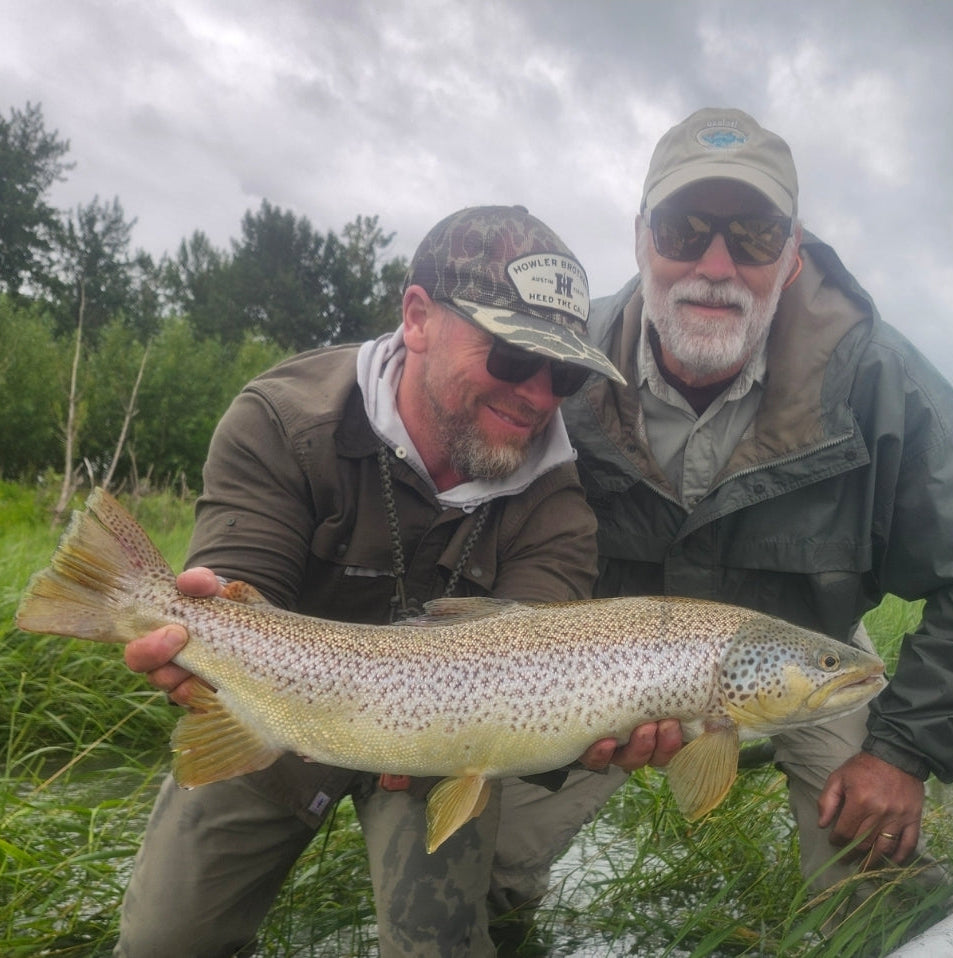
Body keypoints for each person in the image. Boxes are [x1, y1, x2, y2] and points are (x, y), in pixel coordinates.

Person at [113, 204, 655, 958]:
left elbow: (535, 669)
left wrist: (598, 731)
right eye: (509, 356)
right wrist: (199, 628)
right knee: (162, 944)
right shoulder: (282, 418)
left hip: (444, 744)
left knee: (441, 947)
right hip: (283, 701)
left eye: (563, 371)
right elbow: (242, 585)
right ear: (418, 317)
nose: (537, 393)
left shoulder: (560, 501)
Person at [562, 108, 953, 904]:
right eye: (684, 229)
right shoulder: (558, 366)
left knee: (880, 890)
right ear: (641, 236)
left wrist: (904, 751)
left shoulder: (881, 387)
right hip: (584, 678)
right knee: (482, 861)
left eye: (753, 236)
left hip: (807, 664)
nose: (716, 263)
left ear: (793, 254)